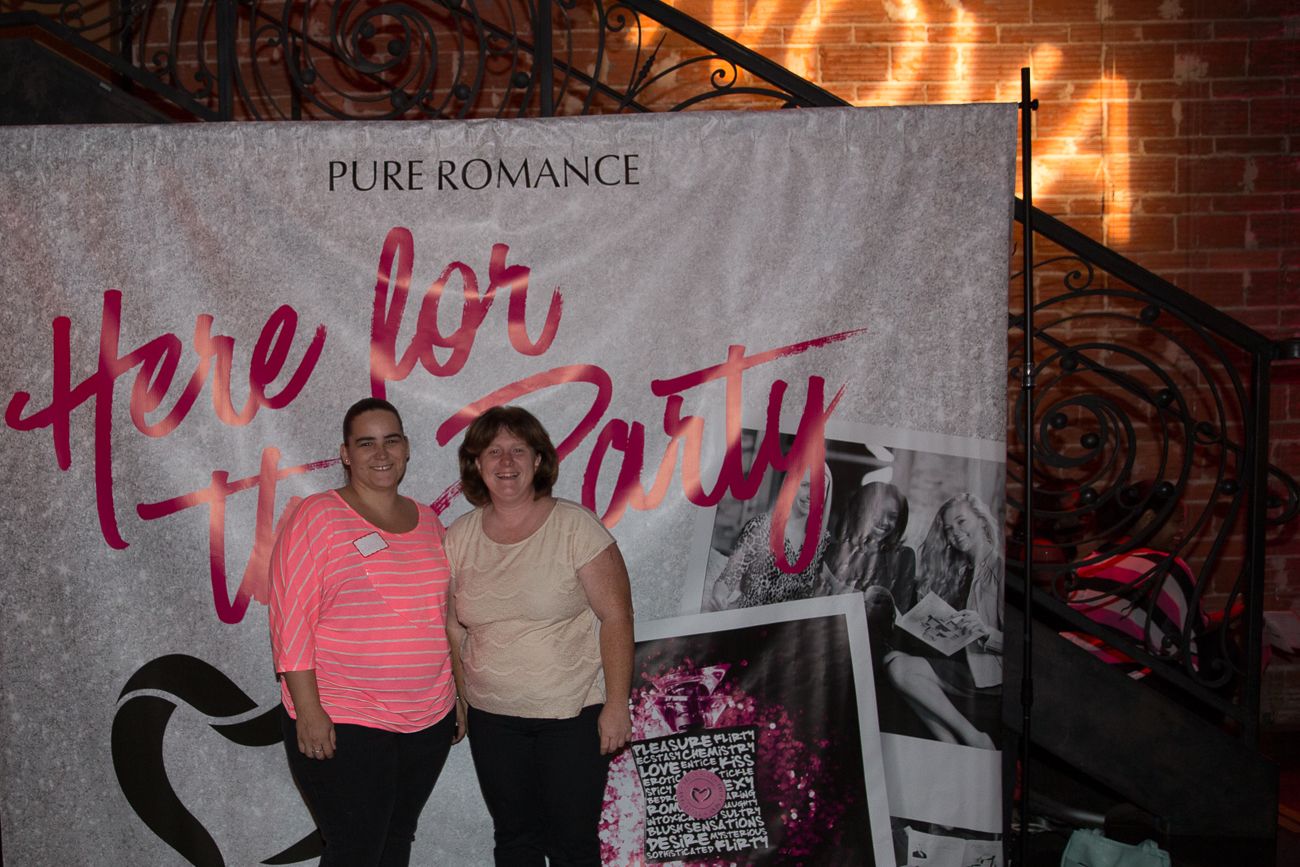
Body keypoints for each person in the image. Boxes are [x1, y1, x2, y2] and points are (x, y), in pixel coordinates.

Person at [268, 397, 464, 867]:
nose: (381, 453)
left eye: (391, 440)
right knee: (356, 849)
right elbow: (290, 618)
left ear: (407, 448)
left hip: (427, 719)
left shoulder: (429, 522)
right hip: (345, 715)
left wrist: (459, 693)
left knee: (396, 841)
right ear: (345, 454)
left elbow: (446, 617)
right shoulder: (318, 515)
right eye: (366, 443)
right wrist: (308, 711)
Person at [445, 405, 634, 867]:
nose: (506, 462)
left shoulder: (576, 527)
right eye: (493, 451)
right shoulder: (458, 537)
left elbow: (617, 618)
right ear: (476, 463)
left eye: (518, 450)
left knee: (572, 844)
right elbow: (453, 626)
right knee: (514, 840)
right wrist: (462, 699)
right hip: (492, 720)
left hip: (572, 716)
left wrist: (616, 705)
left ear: (538, 459)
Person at [706, 465, 833, 611]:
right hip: (749, 617)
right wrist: (719, 597)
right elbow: (729, 577)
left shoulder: (822, 541)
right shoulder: (760, 527)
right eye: (805, 485)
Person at [915, 492, 1005, 690]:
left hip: (986, 673)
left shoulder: (1000, 569)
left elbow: (1019, 645)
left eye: (961, 521)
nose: (955, 532)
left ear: (982, 521)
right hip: (958, 660)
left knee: (901, 668)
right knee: (893, 659)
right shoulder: (959, 570)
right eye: (948, 528)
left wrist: (986, 632)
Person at [827, 481, 916, 610]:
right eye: (877, 513)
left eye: (892, 517)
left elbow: (899, 610)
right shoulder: (830, 551)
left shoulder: (904, 557)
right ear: (859, 511)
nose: (884, 522)